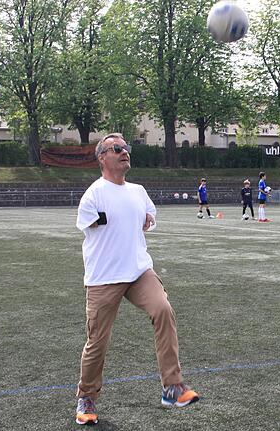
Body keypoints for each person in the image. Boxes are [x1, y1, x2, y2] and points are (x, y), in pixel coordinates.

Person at [74, 133, 199, 425]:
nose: (124, 152)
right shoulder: (94, 194)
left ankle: (172, 386)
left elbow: (148, 217)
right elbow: (87, 223)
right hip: (104, 278)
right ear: (102, 157)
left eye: (126, 148)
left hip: (139, 272)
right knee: (97, 341)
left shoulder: (138, 191)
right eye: (117, 148)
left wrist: (147, 219)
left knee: (163, 310)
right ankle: (86, 396)